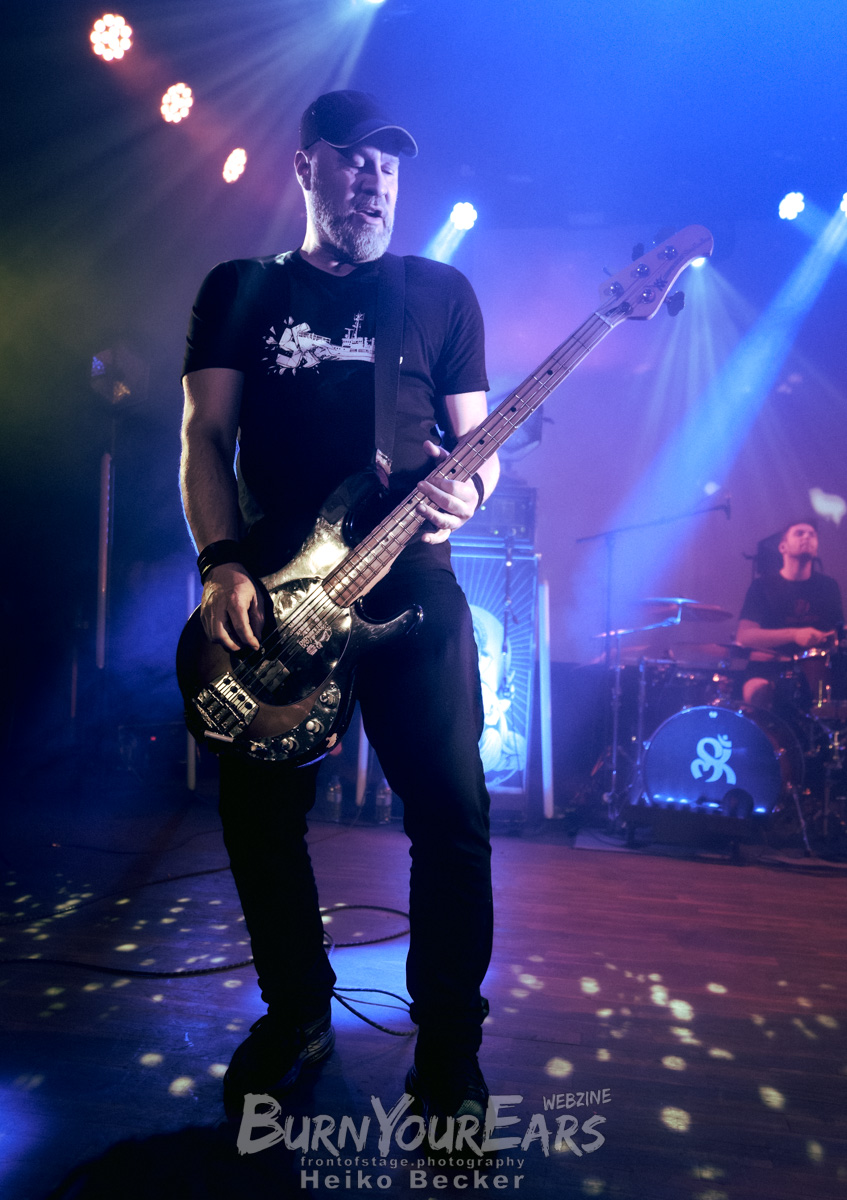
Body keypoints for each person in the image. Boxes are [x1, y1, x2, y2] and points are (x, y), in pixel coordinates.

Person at [178, 90, 500, 1128]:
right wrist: (221, 564)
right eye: (353, 159)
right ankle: (298, 1014)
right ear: (306, 165)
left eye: (388, 166)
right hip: (275, 594)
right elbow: (203, 439)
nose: (373, 180)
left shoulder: (437, 291)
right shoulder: (241, 288)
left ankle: (446, 1049)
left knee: (450, 817)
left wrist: (471, 490)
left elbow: (479, 447)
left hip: (411, 586)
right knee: (258, 816)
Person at [736, 518, 843, 708]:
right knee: (758, 691)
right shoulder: (762, 586)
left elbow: (838, 634)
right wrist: (794, 635)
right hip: (768, 668)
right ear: (783, 547)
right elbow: (745, 636)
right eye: (799, 533)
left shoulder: (828, 587)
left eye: (812, 534)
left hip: (815, 670)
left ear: (816, 548)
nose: (806, 537)